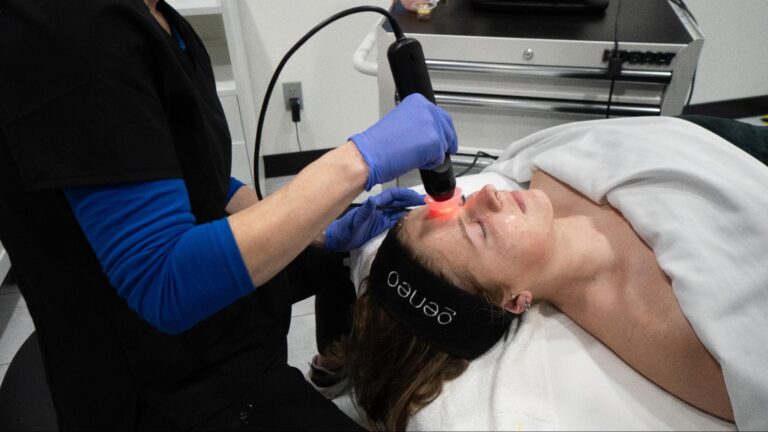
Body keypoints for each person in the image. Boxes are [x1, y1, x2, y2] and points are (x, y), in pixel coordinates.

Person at [0, 0, 457, 429]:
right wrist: (357, 161)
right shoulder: (72, 29)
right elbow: (163, 282)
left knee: (340, 258)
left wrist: (321, 230)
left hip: (212, 330)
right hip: (163, 387)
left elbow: (192, 171)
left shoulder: (155, 16)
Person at [334, 115, 768, 431]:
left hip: (716, 136)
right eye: (480, 230)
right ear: (514, 300)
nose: (485, 192)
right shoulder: (686, 335)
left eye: (460, 206)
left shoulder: (543, 172)